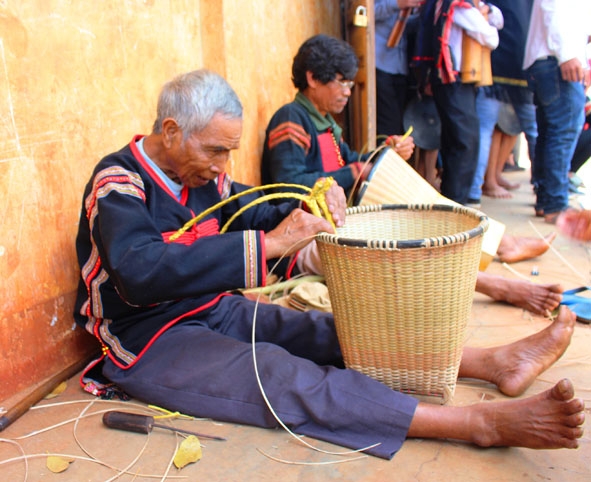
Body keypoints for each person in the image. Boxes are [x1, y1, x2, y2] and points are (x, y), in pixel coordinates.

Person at [74, 68, 584, 459]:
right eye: (215, 151)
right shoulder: (119, 183)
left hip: (211, 309)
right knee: (283, 376)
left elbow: (256, 205)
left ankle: (491, 362)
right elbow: (138, 272)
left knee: (334, 334)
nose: (222, 167)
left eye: (229, 153)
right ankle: (477, 424)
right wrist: (272, 244)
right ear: (170, 130)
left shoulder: (205, 175)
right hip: (146, 340)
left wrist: (309, 208)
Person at [262, 34, 562, 315]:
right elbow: (288, 184)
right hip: (307, 237)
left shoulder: (324, 121)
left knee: (424, 212)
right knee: (402, 250)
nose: (348, 91)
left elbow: (349, 162)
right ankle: (494, 282)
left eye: (350, 84)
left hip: (334, 221)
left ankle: (500, 243)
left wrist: (384, 152)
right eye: (341, 83)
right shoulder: (291, 119)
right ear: (313, 78)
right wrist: (357, 170)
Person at [424, 0, 503, 205]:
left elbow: (498, 19)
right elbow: (491, 37)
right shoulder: (457, 4)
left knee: (457, 141)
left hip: (457, 82)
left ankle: (454, 203)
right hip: (452, 80)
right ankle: (457, 203)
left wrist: (487, 10)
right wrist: (483, 15)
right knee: (464, 142)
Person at [523, 0, 590, 223]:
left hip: (550, 59)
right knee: (562, 133)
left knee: (550, 133)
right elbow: (555, 7)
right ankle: (555, 205)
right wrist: (568, 54)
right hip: (557, 59)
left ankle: (547, 200)